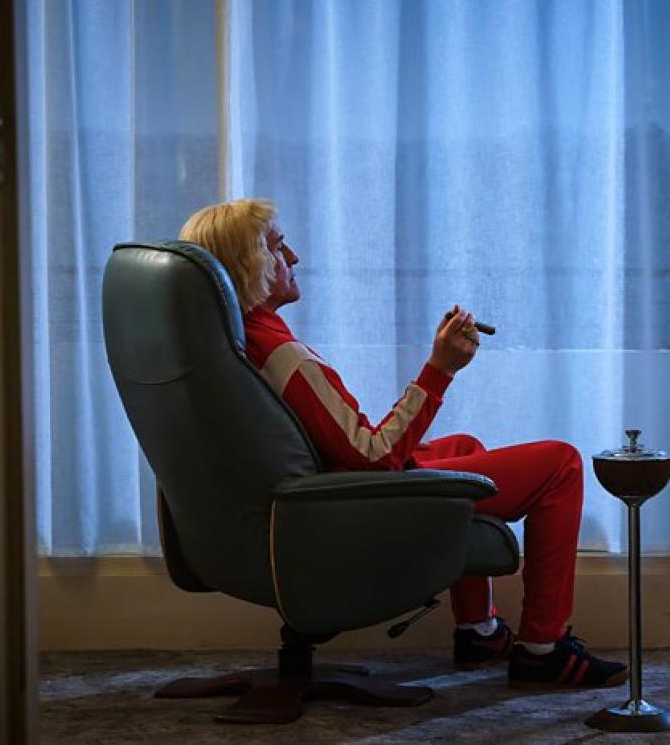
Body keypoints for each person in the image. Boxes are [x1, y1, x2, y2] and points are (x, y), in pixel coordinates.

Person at [179, 198, 626, 689]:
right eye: (280, 247)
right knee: (560, 464)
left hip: (323, 489)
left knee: (461, 446)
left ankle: (479, 631)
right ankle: (544, 649)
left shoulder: (244, 340)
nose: (295, 259)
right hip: (348, 503)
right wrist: (440, 370)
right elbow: (374, 453)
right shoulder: (283, 355)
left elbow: (351, 446)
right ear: (250, 264)